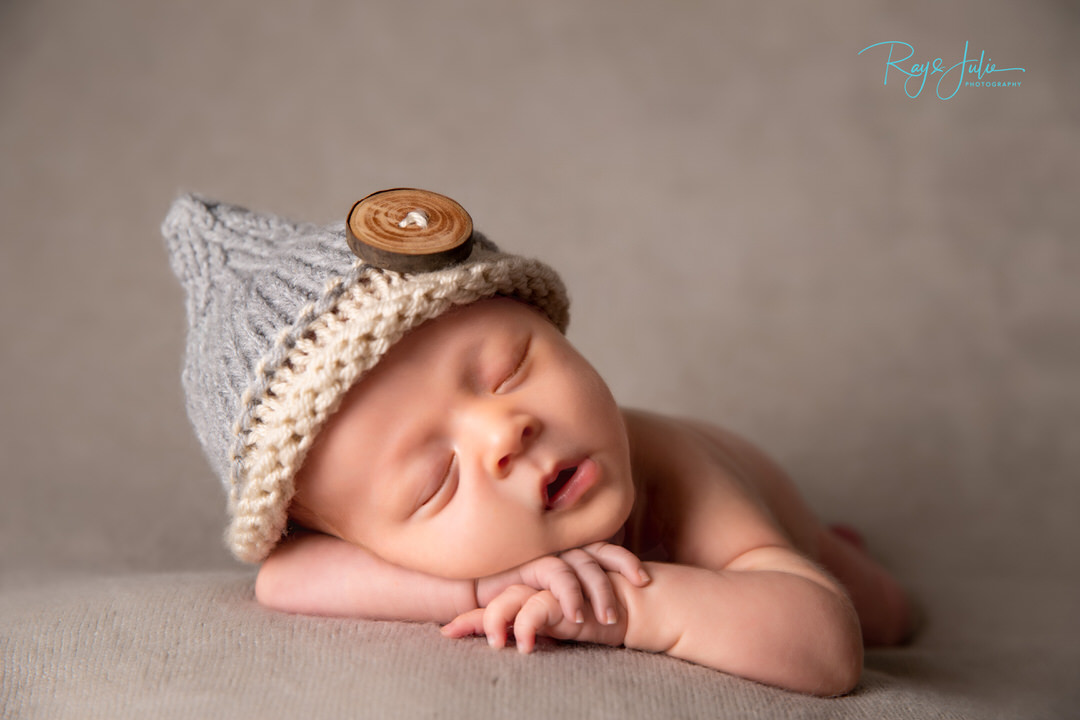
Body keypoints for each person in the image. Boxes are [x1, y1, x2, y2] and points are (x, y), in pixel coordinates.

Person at [164, 189, 914, 698]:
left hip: (765, 505)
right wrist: (481, 588)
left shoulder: (680, 476)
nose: (503, 432)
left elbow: (825, 646)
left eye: (509, 369)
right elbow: (283, 580)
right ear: (355, 537)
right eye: (435, 481)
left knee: (881, 611)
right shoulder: (344, 547)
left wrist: (622, 609)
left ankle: (843, 545)